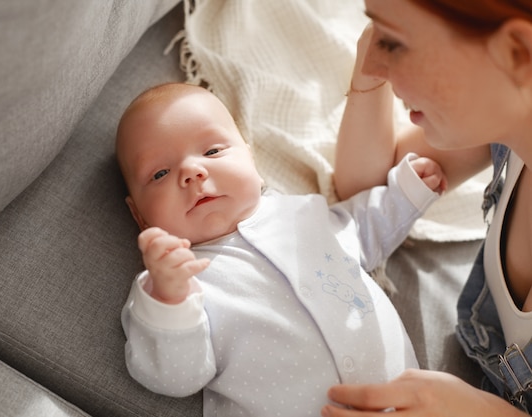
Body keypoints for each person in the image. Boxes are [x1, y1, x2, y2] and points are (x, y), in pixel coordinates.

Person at [115, 82, 446, 416]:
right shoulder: (173, 284)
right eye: (159, 173)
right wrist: (170, 300)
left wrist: (405, 195)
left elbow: (360, 229)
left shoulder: (302, 215)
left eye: (212, 152)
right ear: (139, 215)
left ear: (250, 156)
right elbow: (176, 377)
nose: (192, 172)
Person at [324, 1, 532, 416]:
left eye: (395, 43)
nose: (374, 62)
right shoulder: (512, 119)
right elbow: (368, 188)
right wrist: (380, 44)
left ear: (516, 51)